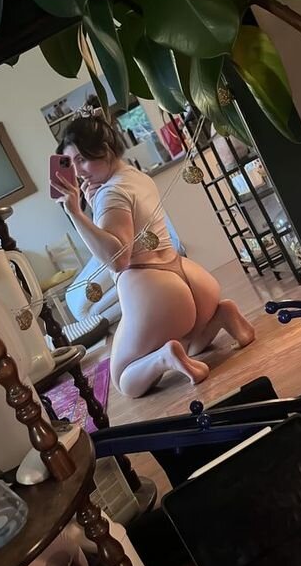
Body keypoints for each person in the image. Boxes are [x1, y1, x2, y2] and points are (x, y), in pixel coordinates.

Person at [52, 114, 255, 398]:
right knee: (191, 342)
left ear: (106, 150)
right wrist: (90, 205)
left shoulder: (110, 194)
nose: (78, 172)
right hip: (192, 279)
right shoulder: (134, 176)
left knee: (124, 380)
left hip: (157, 295)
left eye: (82, 160)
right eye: (71, 164)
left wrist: (75, 213)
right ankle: (222, 314)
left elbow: (117, 259)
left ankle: (165, 357)